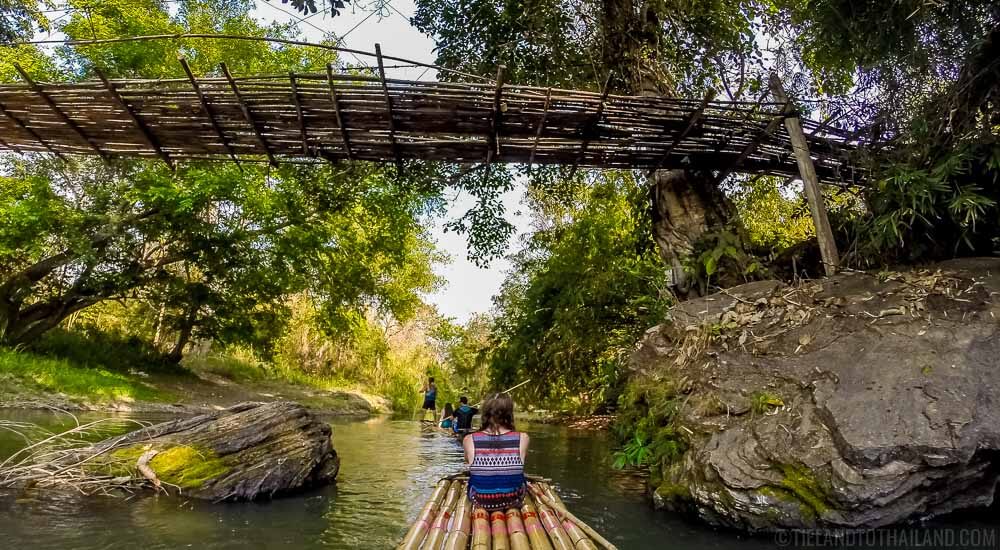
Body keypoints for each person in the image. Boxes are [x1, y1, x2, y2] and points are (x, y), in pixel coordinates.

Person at [463, 393, 529, 511]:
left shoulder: (469, 439)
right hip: (513, 500)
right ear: (509, 413)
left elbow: (467, 462)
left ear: (485, 413)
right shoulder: (523, 438)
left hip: (481, 500)